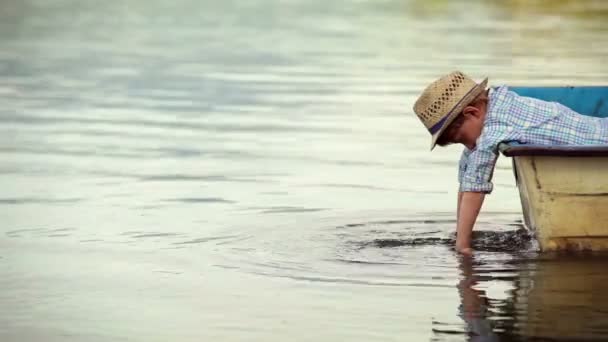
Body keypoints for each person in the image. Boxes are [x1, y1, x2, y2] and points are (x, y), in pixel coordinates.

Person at [412, 71, 608, 254]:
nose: (466, 145)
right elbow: (467, 172)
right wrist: (460, 231)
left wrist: (462, 245)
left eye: (461, 137)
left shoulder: (494, 129)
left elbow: (474, 187)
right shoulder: (502, 100)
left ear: (472, 113)